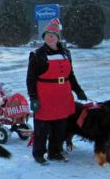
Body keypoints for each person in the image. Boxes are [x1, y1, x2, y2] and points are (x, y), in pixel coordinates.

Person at [26, 18, 87, 165]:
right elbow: (31, 78)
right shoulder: (37, 54)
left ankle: (55, 151)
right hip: (45, 95)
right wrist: (33, 97)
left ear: (58, 38)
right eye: (47, 35)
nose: (50, 37)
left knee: (60, 126)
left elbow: (70, 75)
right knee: (42, 127)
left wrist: (78, 90)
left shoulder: (66, 53)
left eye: (53, 35)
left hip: (63, 95)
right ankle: (39, 153)